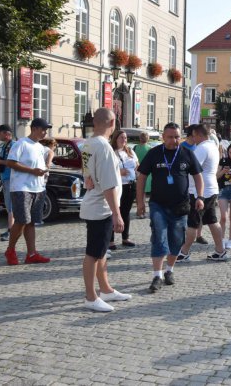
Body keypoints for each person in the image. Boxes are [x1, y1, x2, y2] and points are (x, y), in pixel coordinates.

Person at [136, 122, 204, 293]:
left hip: (180, 206)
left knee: (176, 240)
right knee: (159, 237)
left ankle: (169, 271)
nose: (174, 140)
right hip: (158, 204)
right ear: (163, 137)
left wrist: (200, 196)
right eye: (170, 137)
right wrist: (140, 202)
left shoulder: (187, 153)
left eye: (176, 137)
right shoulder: (154, 153)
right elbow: (142, 177)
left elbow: (198, 176)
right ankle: (157, 275)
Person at [80, 108, 131, 312]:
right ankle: (91, 297)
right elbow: (109, 184)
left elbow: (87, 175)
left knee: (102, 252)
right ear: (113, 124)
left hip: (95, 204)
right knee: (94, 253)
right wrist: (117, 214)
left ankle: (106, 289)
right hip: (101, 207)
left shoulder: (88, 143)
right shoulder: (103, 147)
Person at [4, 118, 52, 266]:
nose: (45, 132)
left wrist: (45, 167)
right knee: (22, 220)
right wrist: (32, 171)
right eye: (43, 129)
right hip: (21, 188)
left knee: (31, 222)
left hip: (38, 188)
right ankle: (10, 250)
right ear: (35, 128)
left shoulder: (39, 146)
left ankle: (32, 253)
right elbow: (11, 162)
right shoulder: (21, 143)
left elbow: (48, 155)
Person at [177, 124, 227, 261]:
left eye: (194, 136)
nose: (193, 139)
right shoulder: (213, 147)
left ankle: (184, 252)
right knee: (212, 221)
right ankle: (220, 250)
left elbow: (191, 167)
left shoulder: (202, 148)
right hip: (211, 189)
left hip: (200, 192)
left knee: (192, 222)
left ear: (199, 134)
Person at [109, 129, 139, 249]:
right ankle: (110, 241)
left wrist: (137, 171)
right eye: (121, 138)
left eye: (125, 138)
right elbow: (107, 169)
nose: (124, 140)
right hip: (118, 186)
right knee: (115, 212)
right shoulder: (111, 152)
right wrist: (119, 172)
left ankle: (125, 237)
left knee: (126, 213)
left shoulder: (130, 151)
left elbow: (137, 164)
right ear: (115, 139)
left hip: (131, 185)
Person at [0, 125, 15, 241]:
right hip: (5, 178)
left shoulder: (13, 145)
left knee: (11, 206)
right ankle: (12, 229)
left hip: (11, 178)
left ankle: (11, 231)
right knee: (9, 205)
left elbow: (14, 162)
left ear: (7, 134)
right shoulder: (4, 146)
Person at [133, 131, 153, 213]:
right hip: (148, 173)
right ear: (148, 138)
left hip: (138, 171)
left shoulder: (135, 147)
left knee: (140, 193)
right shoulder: (150, 148)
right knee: (146, 193)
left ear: (139, 138)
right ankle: (144, 211)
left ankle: (139, 211)